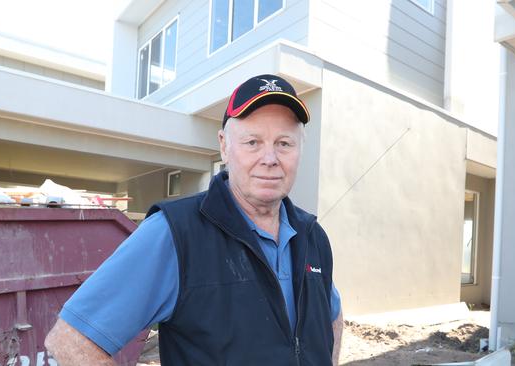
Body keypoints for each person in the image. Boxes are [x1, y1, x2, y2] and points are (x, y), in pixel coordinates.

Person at [45, 74, 343, 365]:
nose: (270, 158)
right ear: (224, 146)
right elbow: (71, 340)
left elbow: (332, 316)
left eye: (284, 143)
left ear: (300, 148)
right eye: (252, 142)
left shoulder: (312, 236)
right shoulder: (176, 233)